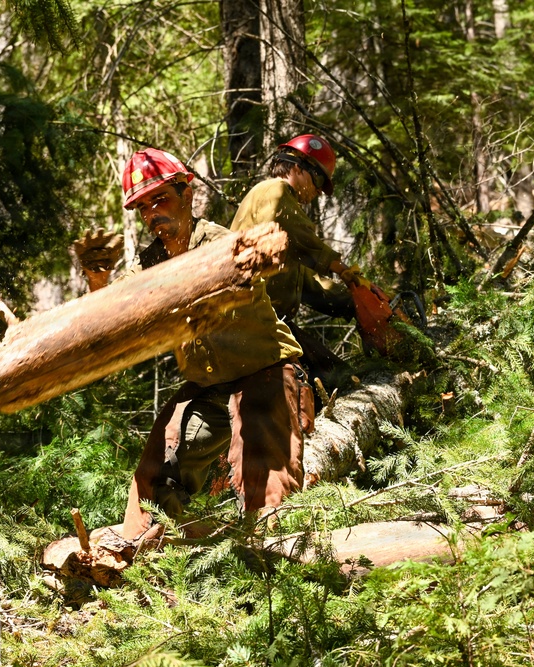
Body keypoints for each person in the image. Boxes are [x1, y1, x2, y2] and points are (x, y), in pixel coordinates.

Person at [72, 148, 311, 541]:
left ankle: (280, 562)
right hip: (208, 387)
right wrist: (98, 282)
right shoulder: (150, 262)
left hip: (265, 372)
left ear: (187, 193)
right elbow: (110, 316)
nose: (152, 214)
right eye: (143, 207)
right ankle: (155, 554)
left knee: (269, 494)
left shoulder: (221, 244)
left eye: (160, 199)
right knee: (154, 478)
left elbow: (242, 276)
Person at [229, 135, 360, 379]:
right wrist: (341, 268)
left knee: (339, 375)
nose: (319, 191)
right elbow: (301, 236)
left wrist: (353, 300)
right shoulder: (274, 191)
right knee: (337, 380)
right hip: (251, 325)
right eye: (318, 179)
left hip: (267, 324)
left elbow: (306, 281)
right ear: (298, 167)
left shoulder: (283, 228)